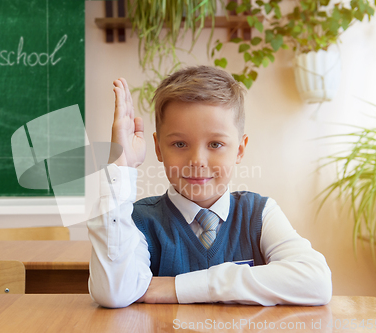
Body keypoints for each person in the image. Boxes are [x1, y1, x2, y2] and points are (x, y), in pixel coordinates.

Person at [87, 65, 332, 308]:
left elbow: (315, 281)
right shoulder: (137, 220)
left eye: (215, 144)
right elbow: (114, 293)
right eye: (180, 144)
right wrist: (121, 167)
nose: (197, 161)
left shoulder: (259, 213)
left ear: (240, 149)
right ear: (159, 148)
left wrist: (178, 288)